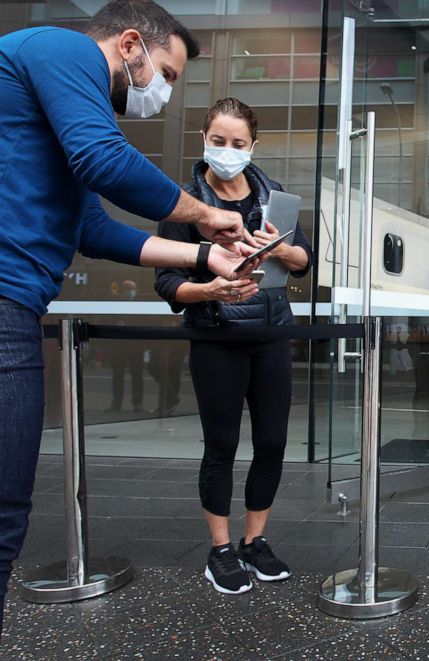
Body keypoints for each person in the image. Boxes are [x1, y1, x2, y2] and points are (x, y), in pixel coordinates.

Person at [0, 0, 256, 633]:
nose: (162, 93)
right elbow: (106, 163)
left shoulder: (63, 117)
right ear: (131, 45)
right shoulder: (64, 53)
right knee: (4, 513)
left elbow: (94, 229)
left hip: (17, 301)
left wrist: (206, 255)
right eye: (166, 73)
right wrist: (206, 215)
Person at [155, 98, 313, 595]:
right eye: (218, 141)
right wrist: (209, 290)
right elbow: (166, 282)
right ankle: (219, 550)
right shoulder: (183, 201)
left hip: (270, 335)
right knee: (221, 446)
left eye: (238, 143)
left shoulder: (276, 195)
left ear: (253, 146)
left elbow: (305, 263)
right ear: (204, 138)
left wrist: (285, 250)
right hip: (216, 334)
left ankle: (254, 542)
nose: (228, 151)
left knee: (272, 444)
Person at [105, 280, 146, 413]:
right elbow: (109, 319)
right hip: (119, 343)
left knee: (137, 374)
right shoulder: (116, 301)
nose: (127, 290)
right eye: (125, 288)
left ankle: (137, 403)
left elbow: (146, 320)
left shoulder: (141, 301)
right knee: (118, 374)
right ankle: (117, 403)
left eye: (129, 288)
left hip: (135, 343)